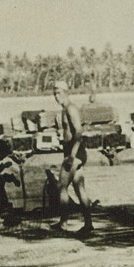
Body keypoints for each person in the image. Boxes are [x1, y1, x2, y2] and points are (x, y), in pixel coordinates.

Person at [50, 81, 93, 236]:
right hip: (74, 154)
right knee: (79, 188)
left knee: (61, 186)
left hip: (74, 155)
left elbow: (79, 132)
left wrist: (72, 156)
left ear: (66, 92)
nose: (56, 96)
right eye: (54, 93)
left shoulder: (70, 108)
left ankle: (63, 222)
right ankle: (88, 223)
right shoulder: (64, 109)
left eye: (59, 93)